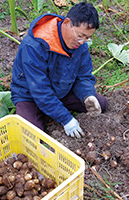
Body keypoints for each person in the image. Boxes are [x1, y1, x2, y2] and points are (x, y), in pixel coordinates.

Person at [10, 2, 108, 138]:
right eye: (80, 35)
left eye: (87, 38)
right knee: (30, 137)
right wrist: (66, 119)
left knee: (101, 104)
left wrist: (87, 95)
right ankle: (44, 113)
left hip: (62, 91)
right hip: (30, 95)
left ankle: (52, 110)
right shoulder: (34, 45)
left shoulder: (80, 46)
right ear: (67, 23)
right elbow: (40, 91)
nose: (81, 42)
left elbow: (83, 76)